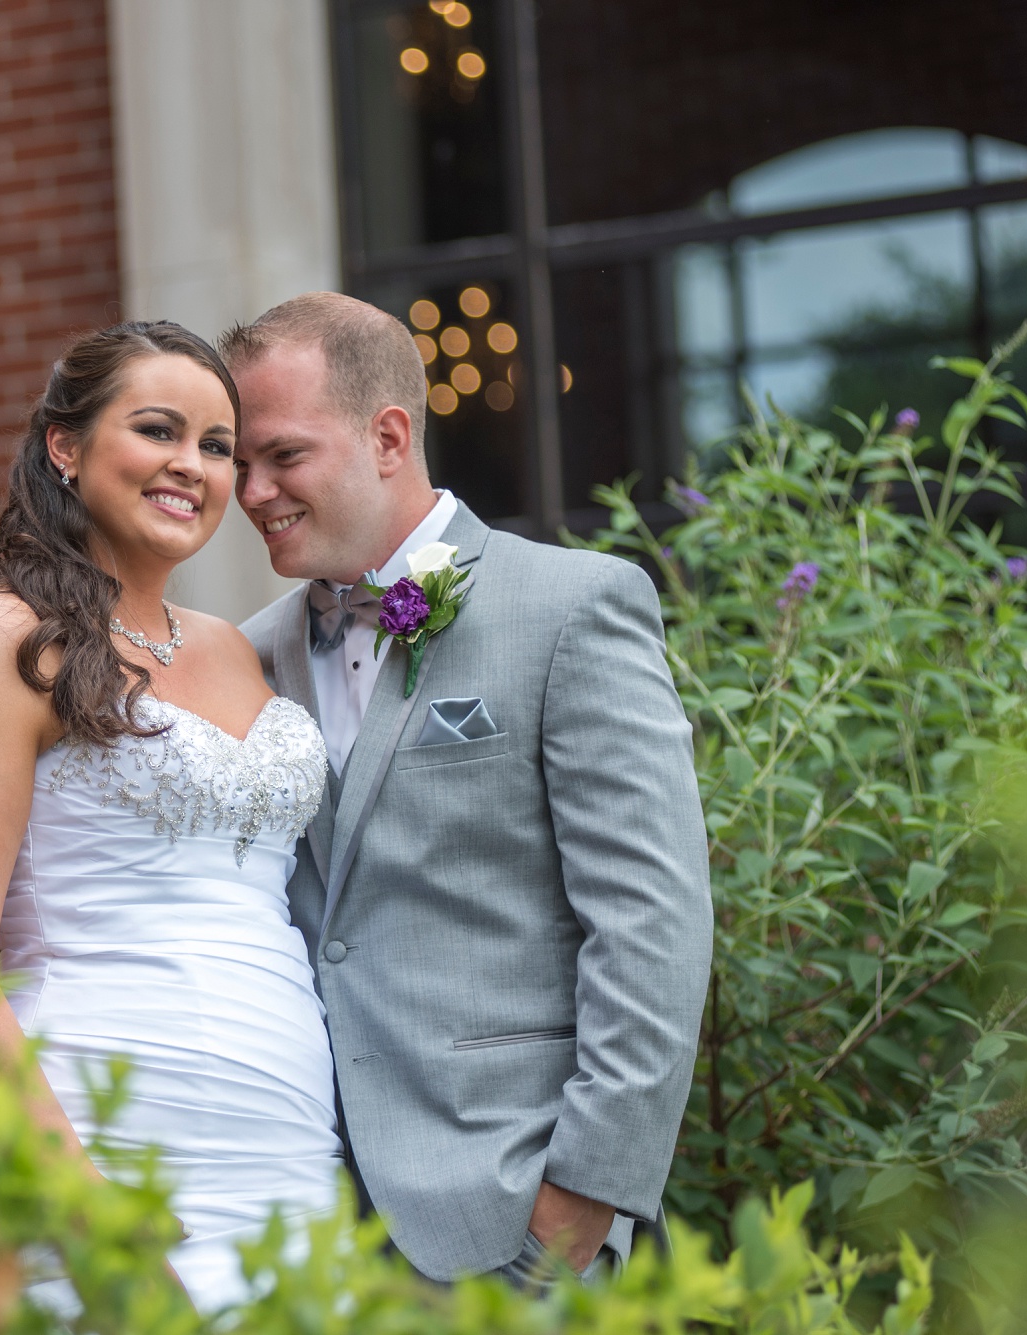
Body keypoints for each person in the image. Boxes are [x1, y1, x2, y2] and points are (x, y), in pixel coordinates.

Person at [223, 292, 713, 1288]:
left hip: (517, 1216)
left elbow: (650, 923)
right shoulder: (247, 654)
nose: (249, 490)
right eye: (236, 464)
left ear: (388, 435)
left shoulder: (571, 608)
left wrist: (579, 1201)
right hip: (313, 1228)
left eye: (279, 455)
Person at [0, 321, 342, 1311]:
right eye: (156, 430)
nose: (191, 465)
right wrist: (77, 1203)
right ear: (66, 446)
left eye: (216, 446)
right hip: (96, 1143)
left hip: (285, 1158)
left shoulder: (239, 650)